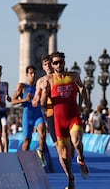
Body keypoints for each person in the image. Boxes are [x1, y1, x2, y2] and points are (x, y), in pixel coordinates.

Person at [40, 51, 89, 189]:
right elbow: (43, 104)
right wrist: (44, 91)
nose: (58, 64)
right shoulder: (49, 80)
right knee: (64, 154)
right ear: (52, 65)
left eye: (60, 62)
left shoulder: (73, 76)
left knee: (77, 142)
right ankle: (70, 178)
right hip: (58, 120)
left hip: (73, 116)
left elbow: (82, 89)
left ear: (64, 63)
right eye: (55, 62)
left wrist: (81, 105)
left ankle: (81, 159)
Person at [12, 65, 47, 165]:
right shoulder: (22, 86)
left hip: (38, 115)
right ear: (26, 74)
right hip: (27, 116)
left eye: (34, 73)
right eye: (31, 73)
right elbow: (13, 101)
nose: (33, 75)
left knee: (42, 133)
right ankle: (24, 160)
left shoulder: (38, 86)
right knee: (27, 141)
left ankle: (41, 153)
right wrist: (25, 100)